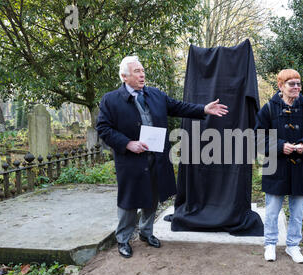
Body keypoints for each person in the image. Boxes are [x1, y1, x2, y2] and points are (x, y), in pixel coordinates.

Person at [96, 56, 228, 258]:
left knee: (152, 197)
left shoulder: (155, 94)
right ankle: (123, 239)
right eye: (137, 72)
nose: (142, 74)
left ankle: (146, 233)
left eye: (142, 70)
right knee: (129, 201)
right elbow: (103, 129)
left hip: (156, 157)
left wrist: (203, 109)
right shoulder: (110, 99)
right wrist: (127, 143)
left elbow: (178, 107)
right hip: (131, 160)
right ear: (124, 77)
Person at [254, 69, 303, 263]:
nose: (296, 87)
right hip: (276, 168)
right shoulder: (268, 108)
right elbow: (258, 138)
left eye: (298, 83)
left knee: (297, 213)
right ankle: (270, 244)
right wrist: (279, 146)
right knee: (272, 211)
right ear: (280, 86)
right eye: (291, 84)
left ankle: (293, 246)